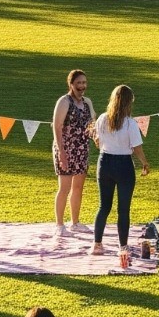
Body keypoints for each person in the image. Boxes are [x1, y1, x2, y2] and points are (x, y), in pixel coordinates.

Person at [89, 84, 149, 256]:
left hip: (105, 162)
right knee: (123, 209)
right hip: (123, 164)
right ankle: (123, 246)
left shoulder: (102, 118)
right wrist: (144, 162)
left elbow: (98, 142)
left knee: (103, 207)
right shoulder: (130, 123)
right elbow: (136, 147)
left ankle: (97, 244)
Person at [51, 70, 93, 233]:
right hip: (66, 148)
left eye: (84, 83)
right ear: (71, 84)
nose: (82, 86)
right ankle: (59, 224)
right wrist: (61, 151)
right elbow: (56, 126)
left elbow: (91, 123)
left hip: (82, 148)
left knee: (78, 187)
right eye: (79, 83)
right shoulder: (64, 101)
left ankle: (75, 222)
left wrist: (95, 136)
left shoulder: (87, 102)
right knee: (64, 187)